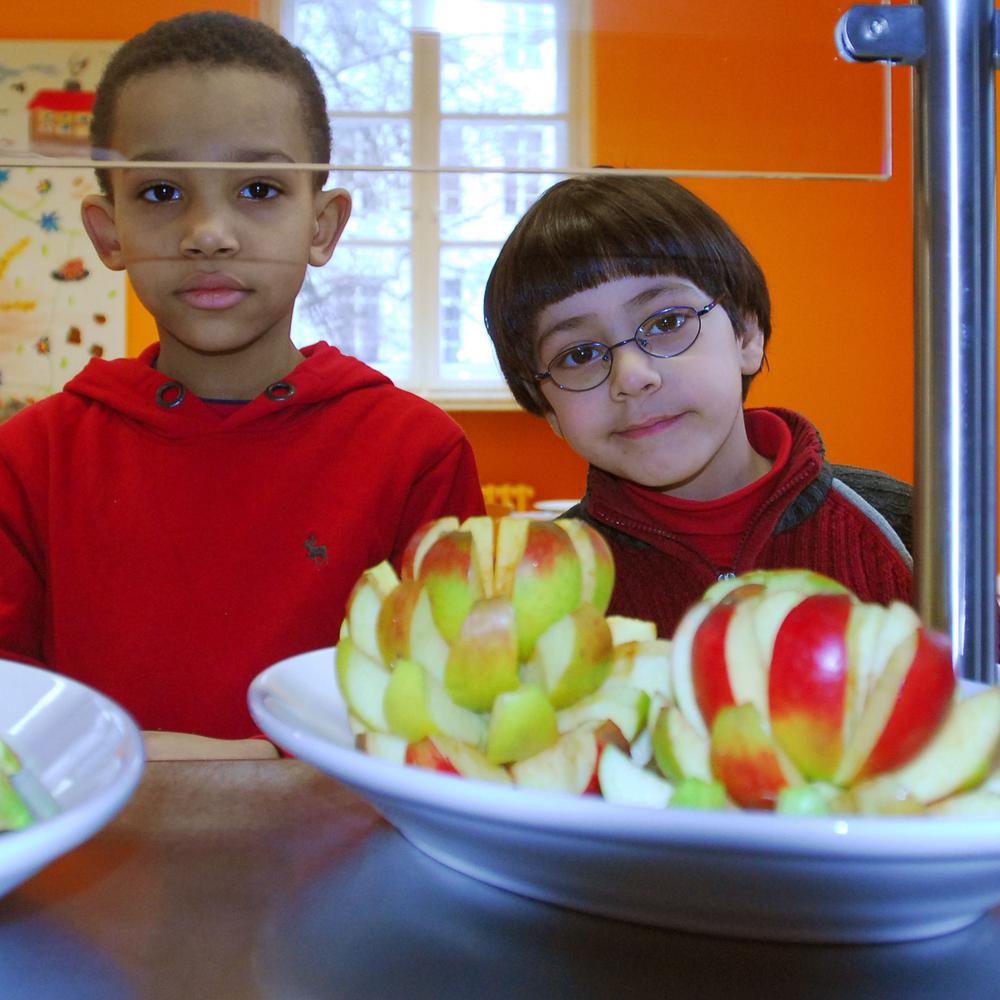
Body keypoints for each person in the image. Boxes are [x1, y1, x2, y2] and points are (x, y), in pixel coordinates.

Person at [0, 12, 485, 749]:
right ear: (108, 234)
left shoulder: (417, 452)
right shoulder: (30, 459)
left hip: (345, 862)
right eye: (162, 193)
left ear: (322, 226)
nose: (209, 232)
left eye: (258, 189)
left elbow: (448, 719)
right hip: (92, 861)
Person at [483, 174, 912, 638]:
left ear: (745, 334)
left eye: (667, 321)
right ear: (549, 410)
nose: (632, 376)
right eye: (579, 355)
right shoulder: (541, 585)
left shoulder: (901, 527)